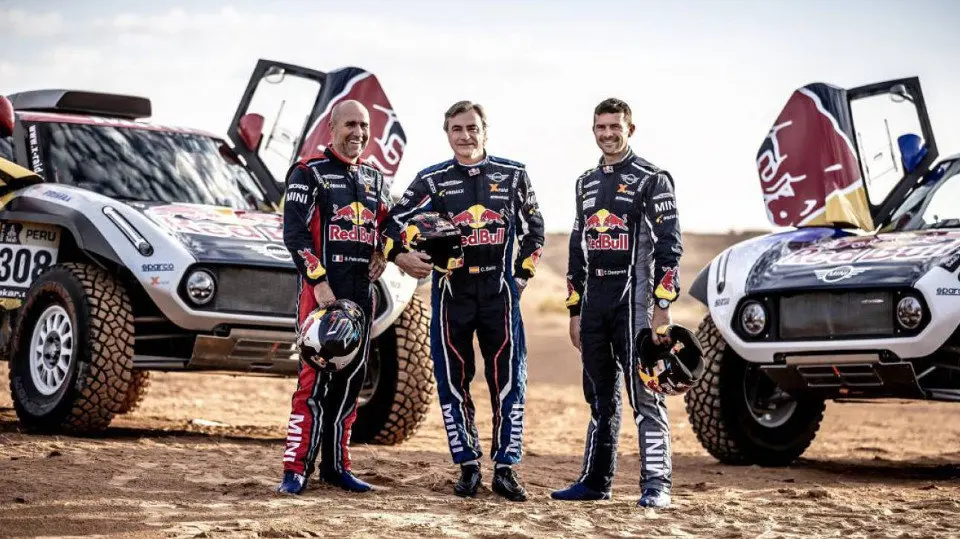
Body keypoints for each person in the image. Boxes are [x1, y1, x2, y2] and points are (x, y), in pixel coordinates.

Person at [383, 101, 545, 502]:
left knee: (508, 382)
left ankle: (506, 467)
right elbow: (389, 223)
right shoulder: (432, 180)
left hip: (499, 292)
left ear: (484, 131)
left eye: (472, 128)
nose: (465, 136)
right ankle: (468, 465)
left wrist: (521, 278)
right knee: (453, 379)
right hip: (450, 292)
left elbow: (534, 231)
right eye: (457, 129)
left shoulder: (513, 174)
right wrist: (402, 255)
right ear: (447, 133)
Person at [552, 98, 683, 508]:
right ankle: (595, 482)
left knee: (646, 395)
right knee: (599, 397)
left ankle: (656, 485)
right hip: (594, 307)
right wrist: (574, 311)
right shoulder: (584, 183)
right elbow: (578, 249)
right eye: (600, 127)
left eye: (615, 127)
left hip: (636, 306)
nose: (607, 134)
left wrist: (662, 307)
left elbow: (670, 247)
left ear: (630, 129)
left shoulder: (652, 178)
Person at [276, 100, 390, 495]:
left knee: (351, 383)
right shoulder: (308, 173)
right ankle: (295, 469)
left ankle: (337, 466)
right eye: (350, 124)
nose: (357, 132)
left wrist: (384, 251)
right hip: (322, 295)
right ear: (331, 127)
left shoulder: (377, 178)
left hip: (363, 296)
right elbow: (295, 235)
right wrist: (319, 281)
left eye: (364, 125)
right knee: (313, 383)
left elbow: (387, 227)